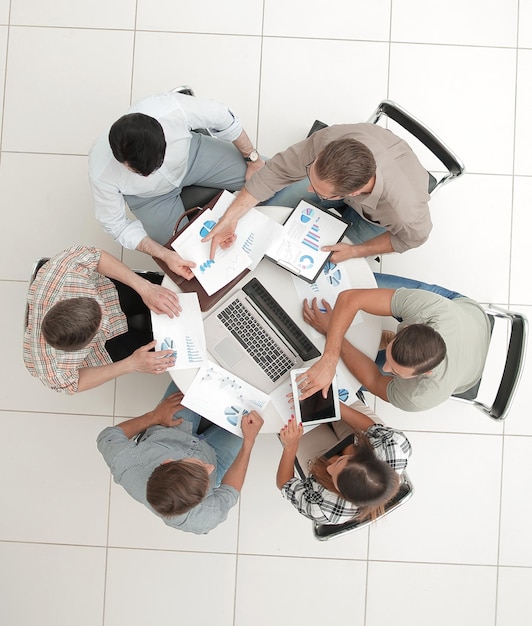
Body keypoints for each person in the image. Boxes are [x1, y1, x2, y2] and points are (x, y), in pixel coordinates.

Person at [89, 90, 264, 278]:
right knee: (190, 263)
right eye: (142, 173)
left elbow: (224, 117)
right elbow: (116, 226)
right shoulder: (101, 169)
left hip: (193, 158)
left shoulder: (169, 109)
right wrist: (164, 255)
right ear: (121, 161)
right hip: (150, 199)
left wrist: (252, 159)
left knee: (267, 179)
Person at [204, 123, 430, 261]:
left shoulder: (406, 212)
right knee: (275, 206)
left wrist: (356, 252)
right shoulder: (330, 140)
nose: (309, 189)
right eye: (310, 175)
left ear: (354, 192)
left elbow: (412, 240)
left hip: (377, 219)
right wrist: (230, 217)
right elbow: (277, 171)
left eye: (320, 191)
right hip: (363, 160)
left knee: (333, 256)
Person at [296, 274, 492, 412]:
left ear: (425, 373)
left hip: (470, 359)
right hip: (464, 315)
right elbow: (350, 297)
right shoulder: (432, 309)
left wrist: (332, 332)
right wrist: (329, 357)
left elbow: (375, 380)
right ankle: (384, 338)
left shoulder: (419, 396)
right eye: (390, 358)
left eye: (396, 372)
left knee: (348, 377)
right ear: (406, 328)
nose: (387, 368)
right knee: (354, 277)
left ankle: (381, 340)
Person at [97, 383, 264, 534]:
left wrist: (154, 416)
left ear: (167, 462)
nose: (210, 469)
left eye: (200, 466)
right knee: (255, 409)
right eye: (207, 481)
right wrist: (248, 443)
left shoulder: (129, 464)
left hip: (170, 430)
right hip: (216, 456)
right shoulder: (202, 518)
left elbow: (107, 436)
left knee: (196, 379)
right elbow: (229, 490)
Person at [24, 245, 181, 394]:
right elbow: (75, 382)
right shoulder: (51, 369)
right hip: (105, 346)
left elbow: (96, 256)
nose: (106, 321)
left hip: (110, 291)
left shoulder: (63, 273)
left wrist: (145, 287)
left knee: (178, 294)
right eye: (101, 325)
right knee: (175, 350)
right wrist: (131, 364)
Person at [277, 400, 411, 524]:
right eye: (341, 461)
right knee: (337, 398)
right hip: (360, 437)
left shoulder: (325, 510)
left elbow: (285, 484)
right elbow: (371, 427)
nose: (330, 469)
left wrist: (291, 447)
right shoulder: (394, 446)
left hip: (323, 460)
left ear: (342, 494)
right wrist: (331, 402)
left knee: (290, 420)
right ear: (364, 454)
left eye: (334, 478)